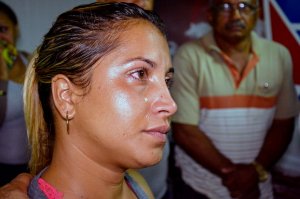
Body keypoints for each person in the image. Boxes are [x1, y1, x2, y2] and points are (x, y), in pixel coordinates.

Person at [23, 2, 176, 198]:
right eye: (139, 74)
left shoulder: (136, 185)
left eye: (167, 81)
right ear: (66, 96)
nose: (170, 105)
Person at [170, 0, 298, 198]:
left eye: (245, 7)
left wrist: (255, 171)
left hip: (258, 187)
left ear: (256, 14)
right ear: (211, 15)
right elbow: (184, 130)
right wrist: (235, 175)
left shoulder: (278, 55)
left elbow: (284, 123)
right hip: (200, 188)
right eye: (226, 7)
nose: (236, 16)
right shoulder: (189, 56)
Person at [0, 1, 31, 186]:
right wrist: (2, 79)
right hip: (3, 169)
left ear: (15, 30)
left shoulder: (31, 60)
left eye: (3, 29)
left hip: (36, 164)